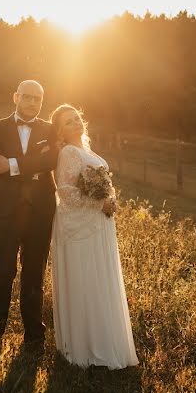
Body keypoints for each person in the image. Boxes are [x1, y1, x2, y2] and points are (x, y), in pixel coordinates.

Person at [49, 104, 138, 369]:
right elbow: (66, 191)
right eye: (68, 122)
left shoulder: (87, 151)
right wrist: (100, 204)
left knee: (101, 278)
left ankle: (108, 340)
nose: (76, 123)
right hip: (80, 227)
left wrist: (110, 200)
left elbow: (102, 185)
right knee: (86, 279)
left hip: (100, 224)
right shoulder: (68, 152)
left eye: (76, 118)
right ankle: (84, 347)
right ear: (61, 132)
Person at [0, 80, 59, 345]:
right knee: (3, 271)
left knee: (34, 273)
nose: (32, 102)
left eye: (38, 98)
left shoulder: (51, 130)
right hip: (4, 209)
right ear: (15, 97)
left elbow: (50, 161)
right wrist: (31, 167)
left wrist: (12, 164)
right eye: (27, 96)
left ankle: (34, 335)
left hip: (39, 211)